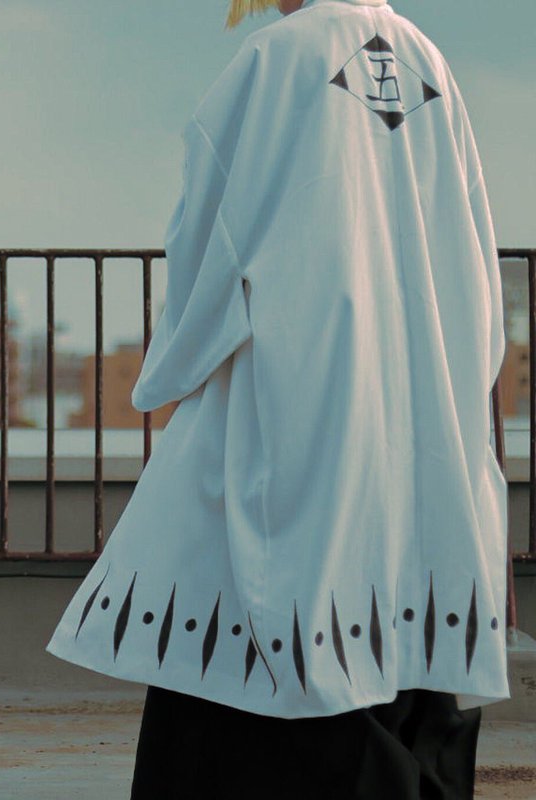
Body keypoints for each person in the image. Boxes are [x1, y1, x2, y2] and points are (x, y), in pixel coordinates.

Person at [44, 0, 509, 796]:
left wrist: (170, 369)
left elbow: (212, 238)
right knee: (392, 628)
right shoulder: (429, 61)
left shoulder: (277, 58)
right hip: (418, 408)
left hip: (290, 394)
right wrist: (452, 382)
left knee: (264, 629)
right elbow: (473, 258)